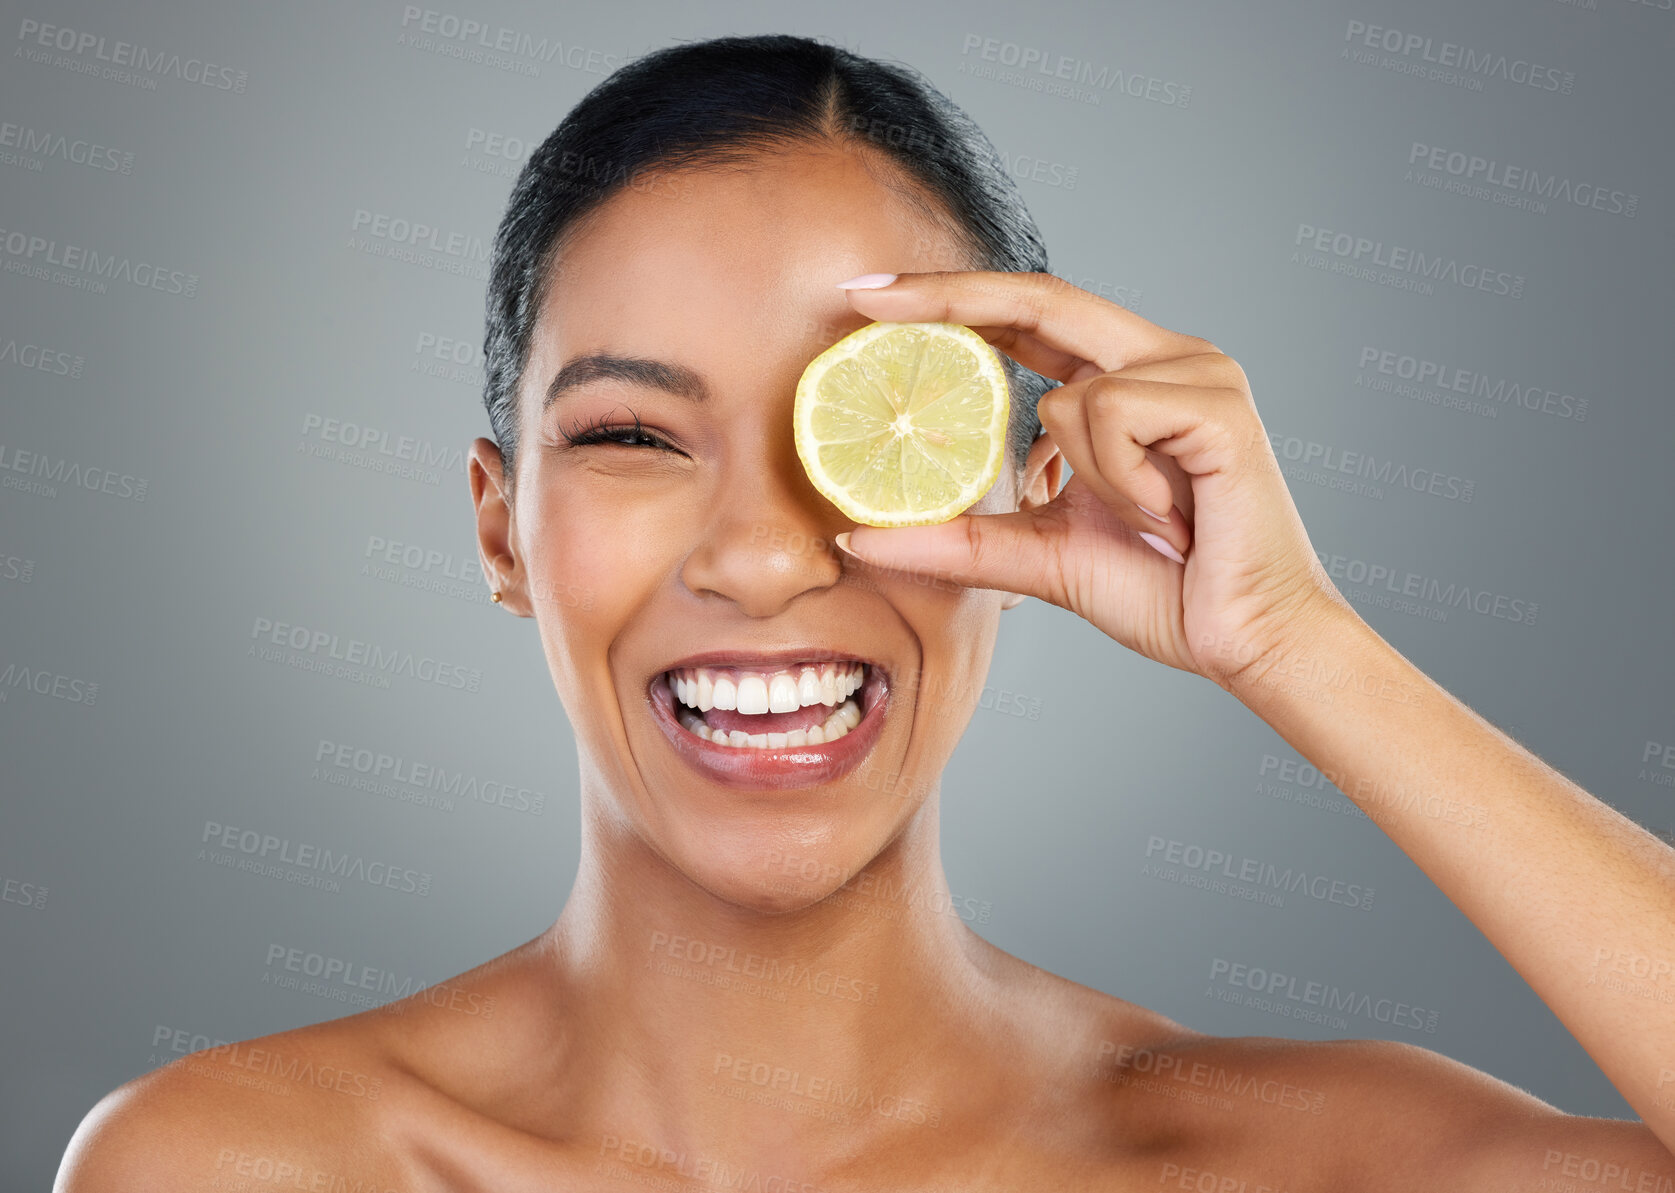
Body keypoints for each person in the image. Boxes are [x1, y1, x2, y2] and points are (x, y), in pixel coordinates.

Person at [55, 33, 1675, 1192]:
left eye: (863, 429)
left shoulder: (1291, 1163)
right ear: (500, 528)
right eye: (632, 435)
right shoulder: (245, 1161)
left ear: (1027, 478)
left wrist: (1296, 642)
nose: (764, 557)